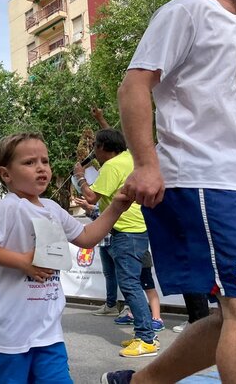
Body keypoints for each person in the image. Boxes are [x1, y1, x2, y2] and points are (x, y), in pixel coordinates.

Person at [104, 0, 236, 382]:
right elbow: (134, 85)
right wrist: (146, 164)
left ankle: (141, 382)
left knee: (229, 314)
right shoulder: (188, 11)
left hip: (232, 182)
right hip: (205, 178)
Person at [0, 133, 132, 383]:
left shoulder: (53, 209)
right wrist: (23, 262)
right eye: (29, 162)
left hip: (48, 333)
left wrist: (116, 207)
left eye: (45, 161)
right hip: (6, 335)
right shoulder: (8, 207)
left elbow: (86, 237)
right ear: (6, 174)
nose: (41, 167)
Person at [74, 129, 159, 357]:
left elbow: (91, 197)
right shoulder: (129, 158)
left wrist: (80, 176)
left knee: (130, 284)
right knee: (133, 283)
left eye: (95, 146)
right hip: (137, 229)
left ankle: (146, 339)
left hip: (125, 231)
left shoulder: (111, 166)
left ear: (103, 147)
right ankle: (145, 333)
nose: (94, 152)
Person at [74, 197, 118, 316]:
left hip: (116, 240)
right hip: (104, 241)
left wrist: (89, 207)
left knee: (124, 275)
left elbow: (111, 212)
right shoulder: (101, 198)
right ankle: (111, 305)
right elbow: (99, 219)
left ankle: (129, 309)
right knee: (109, 275)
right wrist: (88, 210)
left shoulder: (114, 194)